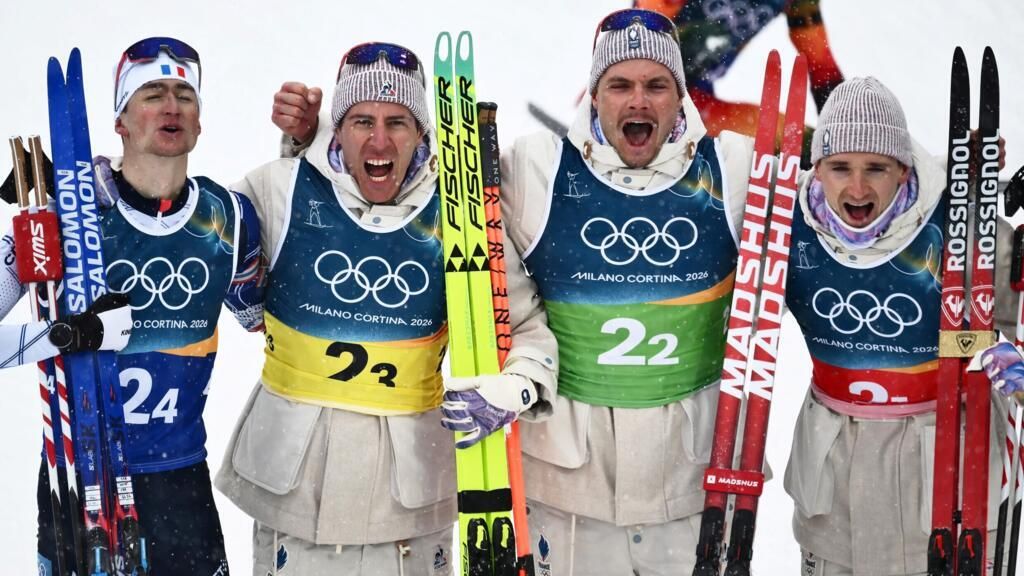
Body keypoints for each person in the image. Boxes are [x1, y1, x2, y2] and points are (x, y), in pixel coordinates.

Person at [214, 41, 558, 576]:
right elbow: (191, 237)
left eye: (398, 121)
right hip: (294, 480)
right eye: (361, 121)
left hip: (408, 493)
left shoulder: (459, 213)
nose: (380, 139)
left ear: (422, 132)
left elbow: (527, 325)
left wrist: (514, 388)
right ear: (337, 129)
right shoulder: (278, 187)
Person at [498, 9, 756, 574]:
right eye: (619, 85)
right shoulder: (536, 169)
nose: (638, 101)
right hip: (568, 490)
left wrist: (960, 184)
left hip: (691, 485)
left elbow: (846, 197)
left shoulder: (731, 169)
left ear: (680, 97)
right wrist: (306, 142)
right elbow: (409, 187)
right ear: (594, 96)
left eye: (656, 85)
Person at [1, 36, 265, 576]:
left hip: (181, 480)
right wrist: (65, 335)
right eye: (151, 93)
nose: (171, 106)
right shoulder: (63, 216)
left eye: (184, 94)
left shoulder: (230, 219)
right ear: (121, 119)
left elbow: (260, 318)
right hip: (81, 482)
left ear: (199, 121)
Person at [781, 76, 1016, 575]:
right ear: (817, 168)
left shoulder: (961, 228)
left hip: (946, 484)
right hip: (833, 484)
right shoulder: (788, 227)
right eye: (840, 167)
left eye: (877, 169)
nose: (858, 187)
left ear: (905, 168)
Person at [634, 0, 844, 139]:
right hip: (646, 95)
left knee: (800, 145)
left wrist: (845, 130)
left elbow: (822, 68)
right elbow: (636, 38)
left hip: (699, 102)